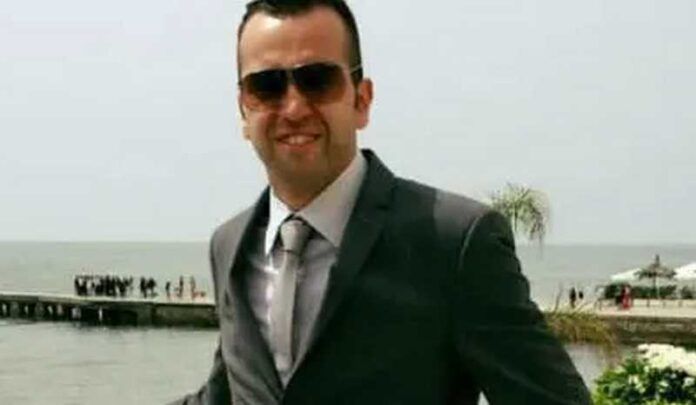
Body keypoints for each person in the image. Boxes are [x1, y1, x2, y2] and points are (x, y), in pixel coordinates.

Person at [172, 1, 590, 404]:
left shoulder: (454, 243)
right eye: (267, 86)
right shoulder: (229, 245)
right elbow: (229, 394)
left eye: (318, 80)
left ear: (362, 100)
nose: (294, 107)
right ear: (244, 111)